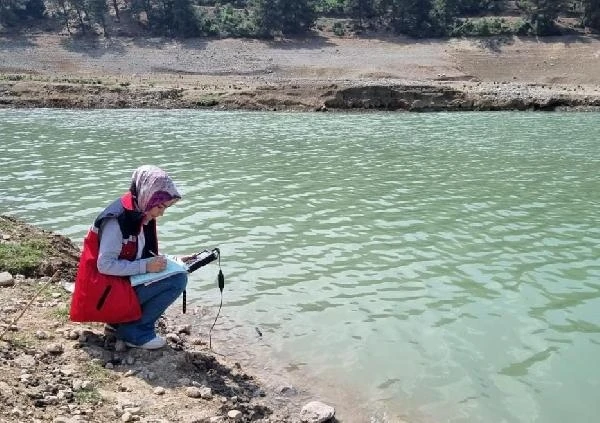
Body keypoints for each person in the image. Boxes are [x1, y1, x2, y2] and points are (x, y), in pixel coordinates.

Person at [70, 165, 187, 350]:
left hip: (113, 288)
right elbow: (105, 265)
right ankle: (135, 333)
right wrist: (146, 267)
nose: (162, 213)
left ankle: (118, 324)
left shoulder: (140, 213)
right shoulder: (116, 221)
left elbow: (139, 254)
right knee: (178, 280)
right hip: (101, 295)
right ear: (148, 195)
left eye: (166, 207)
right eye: (160, 206)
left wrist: (175, 261)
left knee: (178, 271)